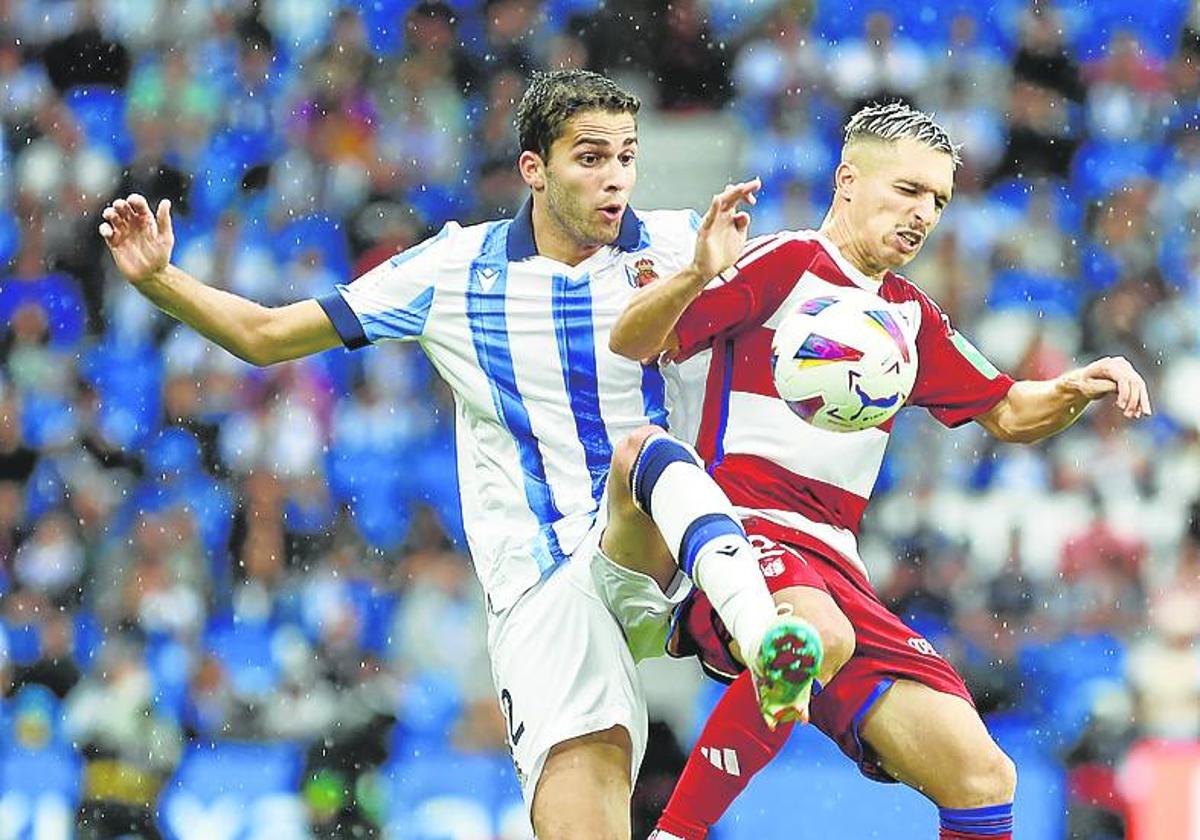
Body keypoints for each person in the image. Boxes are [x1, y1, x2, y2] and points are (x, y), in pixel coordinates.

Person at [97, 69, 822, 839]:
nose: (615, 178)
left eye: (626, 157)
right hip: (543, 588)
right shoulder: (454, 271)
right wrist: (161, 280)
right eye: (590, 158)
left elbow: (825, 297)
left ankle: (763, 634)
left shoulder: (688, 244)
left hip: (661, 548)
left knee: (648, 454)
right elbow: (268, 335)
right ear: (534, 169)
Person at [609, 100, 1152, 840]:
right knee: (817, 633)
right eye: (907, 190)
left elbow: (1011, 412)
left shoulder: (911, 317)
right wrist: (697, 274)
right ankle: (678, 834)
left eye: (938, 199)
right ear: (847, 180)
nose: (923, 213)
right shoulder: (786, 263)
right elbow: (638, 340)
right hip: (742, 531)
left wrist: (1073, 389)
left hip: (837, 565)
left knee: (982, 774)